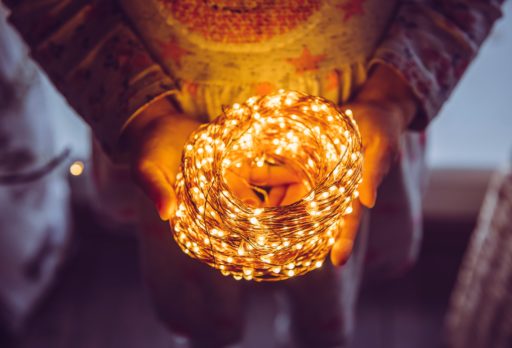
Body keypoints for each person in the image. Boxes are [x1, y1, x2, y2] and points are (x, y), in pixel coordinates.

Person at [2, 0, 505, 347]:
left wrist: (391, 98)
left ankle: (316, 334)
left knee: (326, 299)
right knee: (198, 301)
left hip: (349, 146)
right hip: (174, 152)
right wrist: (145, 119)